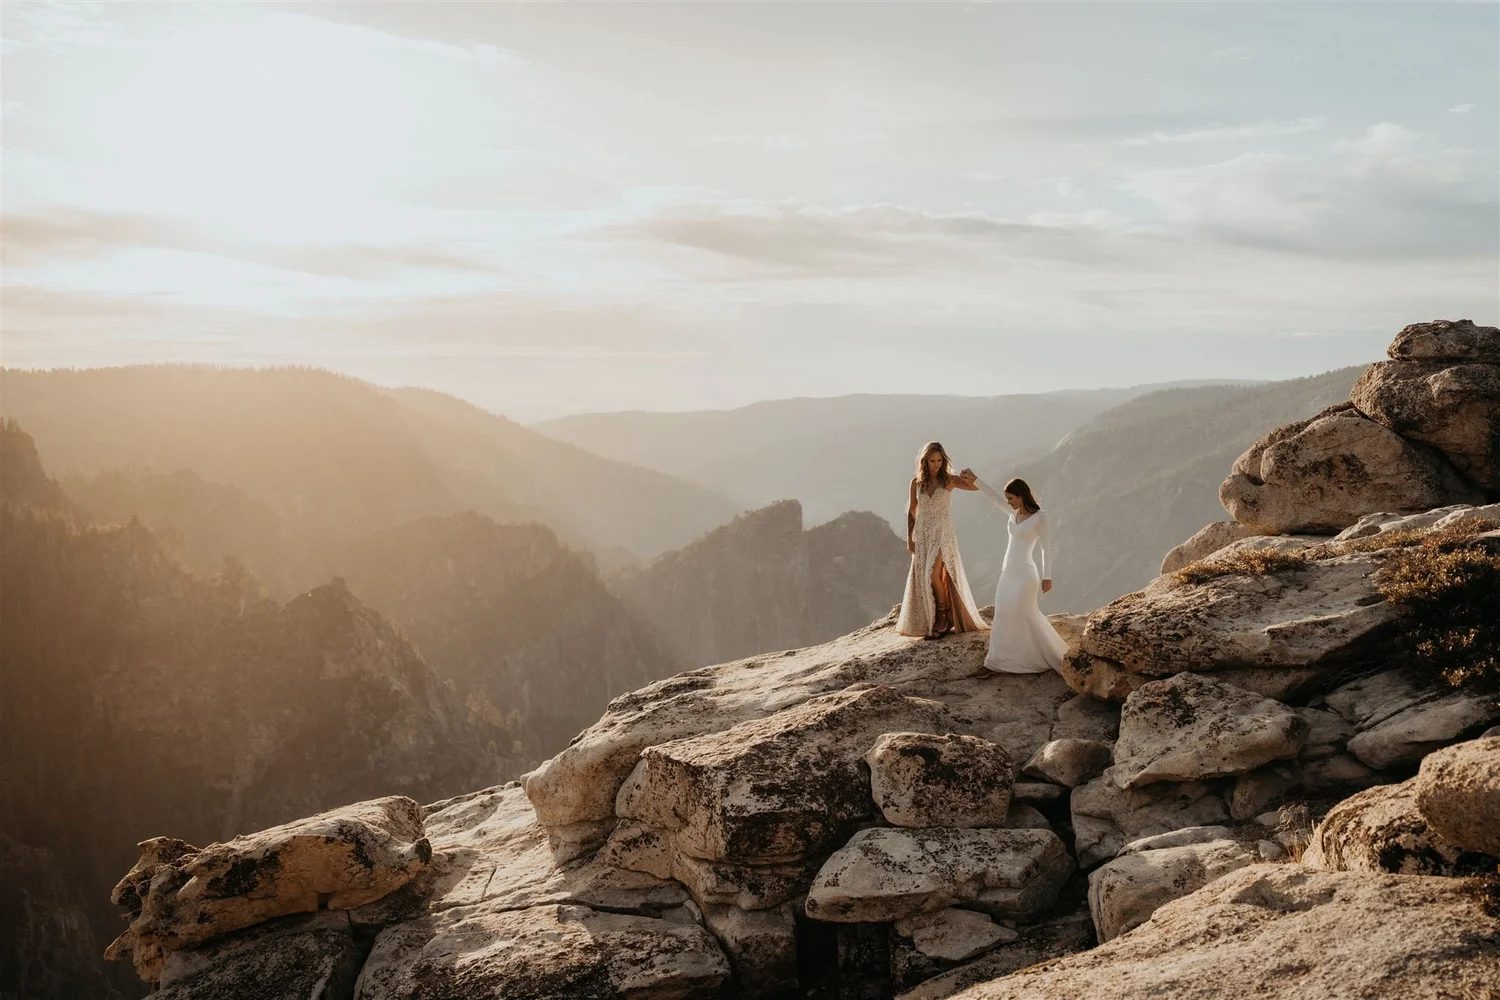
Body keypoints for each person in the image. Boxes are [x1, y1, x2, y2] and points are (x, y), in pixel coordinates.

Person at [968, 474, 1068, 673]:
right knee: (1003, 612)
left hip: (1025, 574)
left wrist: (1047, 576)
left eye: (1011, 498)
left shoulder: (1040, 517)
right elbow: (994, 498)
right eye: (1008, 500)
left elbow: (1046, 548)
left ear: (1021, 496)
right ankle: (996, 660)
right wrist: (975, 480)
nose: (1009, 503)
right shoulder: (1012, 514)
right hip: (1008, 573)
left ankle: (1042, 655)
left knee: (1026, 613)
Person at [897, 442, 987, 639]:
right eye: (932, 461)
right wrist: (909, 538)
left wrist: (972, 477)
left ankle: (942, 615)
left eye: (939, 460)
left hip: (942, 534)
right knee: (923, 576)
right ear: (925, 461)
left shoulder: (950, 481)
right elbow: (912, 511)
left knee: (931, 573)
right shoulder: (916, 483)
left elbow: (976, 488)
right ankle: (933, 620)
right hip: (923, 535)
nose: (936, 464)